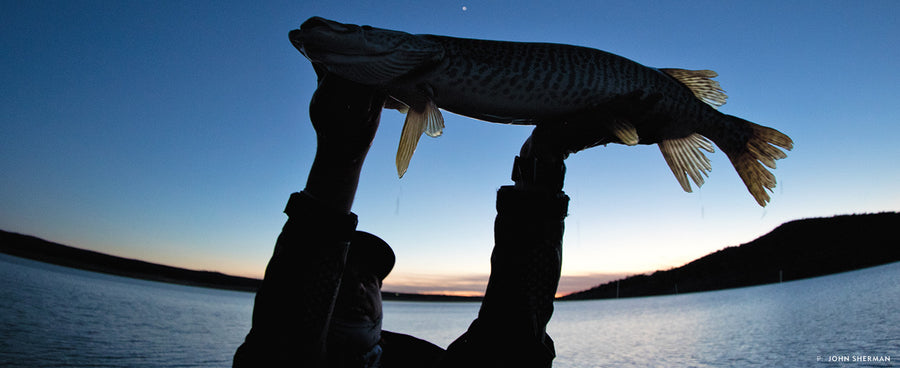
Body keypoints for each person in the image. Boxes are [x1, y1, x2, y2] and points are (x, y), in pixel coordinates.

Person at [233, 73, 654, 367]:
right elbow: (285, 335)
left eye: (370, 281)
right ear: (317, 291)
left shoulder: (424, 363)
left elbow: (510, 346)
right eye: (342, 276)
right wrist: (338, 159)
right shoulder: (280, 349)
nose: (361, 288)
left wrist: (539, 163)